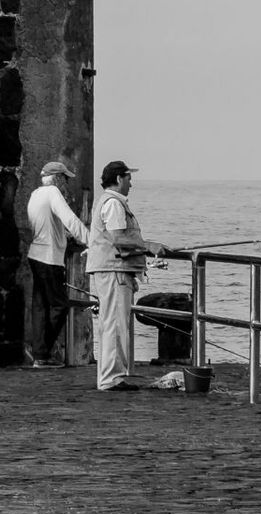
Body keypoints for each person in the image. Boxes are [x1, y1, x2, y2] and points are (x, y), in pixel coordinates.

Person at [87, 160, 170, 392]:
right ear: (118, 179)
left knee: (111, 323)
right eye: (128, 178)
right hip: (114, 270)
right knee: (114, 324)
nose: (131, 183)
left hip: (111, 269)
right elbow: (119, 239)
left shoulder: (105, 201)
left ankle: (112, 376)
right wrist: (149, 245)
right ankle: (110, 379)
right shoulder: (113, 204)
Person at [25, 160, 89, 367]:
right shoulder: (53, 193)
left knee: (40, 306)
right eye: (66, 179)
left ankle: (38, 354)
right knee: (60, 306)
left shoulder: (36, 195)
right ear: (58, 178)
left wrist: (65, 235)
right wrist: (92, 241)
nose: (67, 184)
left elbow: (48, 224)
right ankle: (42, 352)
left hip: (35, 254)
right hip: (50, 258)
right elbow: (70, 219)